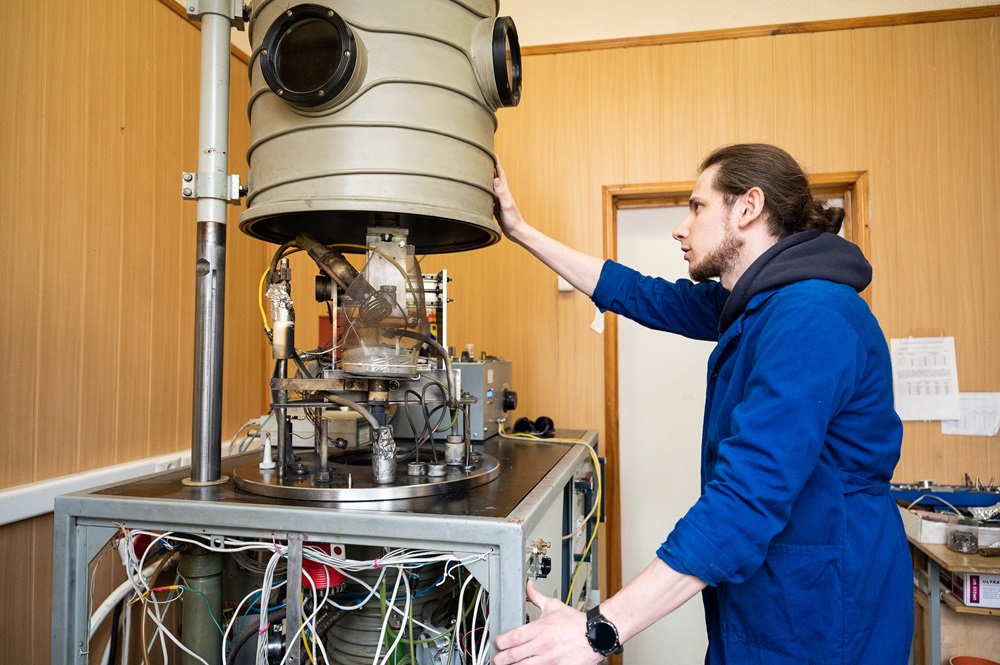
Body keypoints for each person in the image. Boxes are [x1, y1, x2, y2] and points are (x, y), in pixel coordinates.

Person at [490, 143, 913, 664]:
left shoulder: (810, 316)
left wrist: (599, 630)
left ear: (748, 207)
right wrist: (521, 231)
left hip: (824, 610)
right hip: (772, 594)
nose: (681, 227)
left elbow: (745, 497)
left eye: (697, 207)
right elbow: (640, 294)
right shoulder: (759, 303)